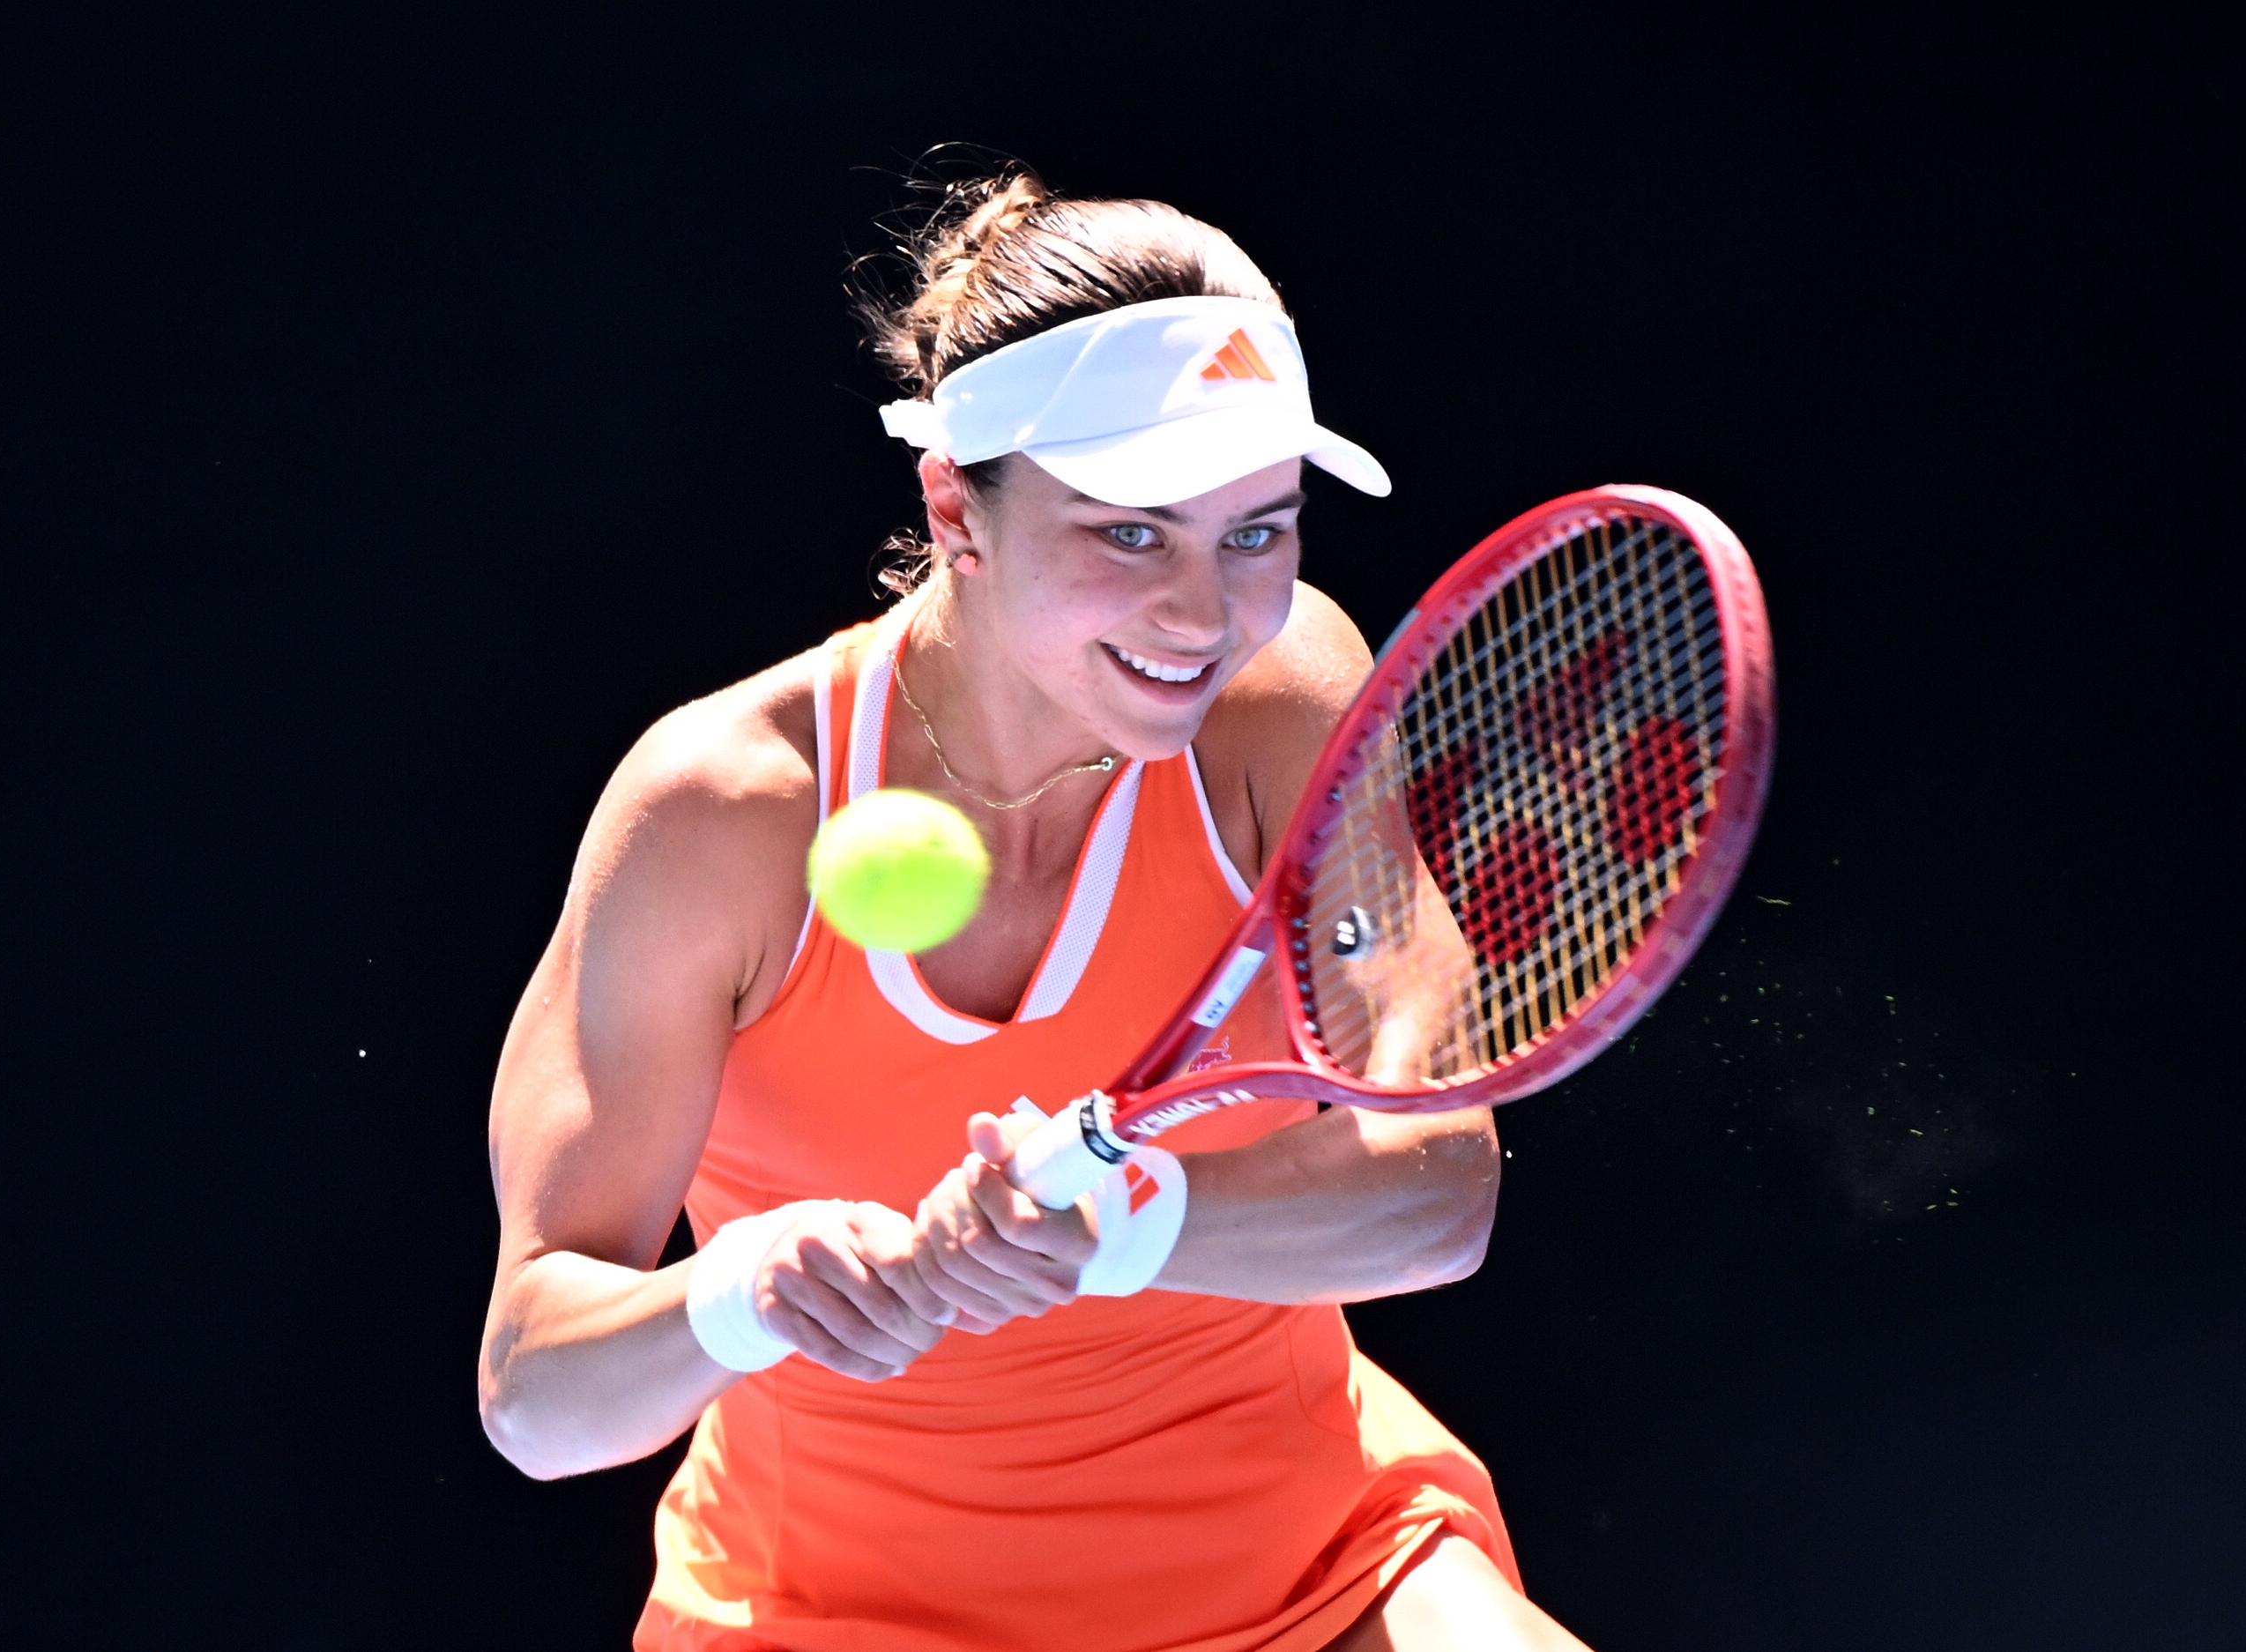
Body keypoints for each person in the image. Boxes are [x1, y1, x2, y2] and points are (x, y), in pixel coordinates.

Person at [477, 168, 1593, 1652]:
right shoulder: (722, 811)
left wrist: (1129, 1219)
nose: (1203, 612)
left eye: (1256, 531)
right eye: (1131, 533)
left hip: (1315, 1577)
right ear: (956, 506)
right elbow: (535, 1392)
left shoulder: (1278, 705)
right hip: (822, 1621)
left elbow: (1436, 1189)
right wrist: (742, 1295)